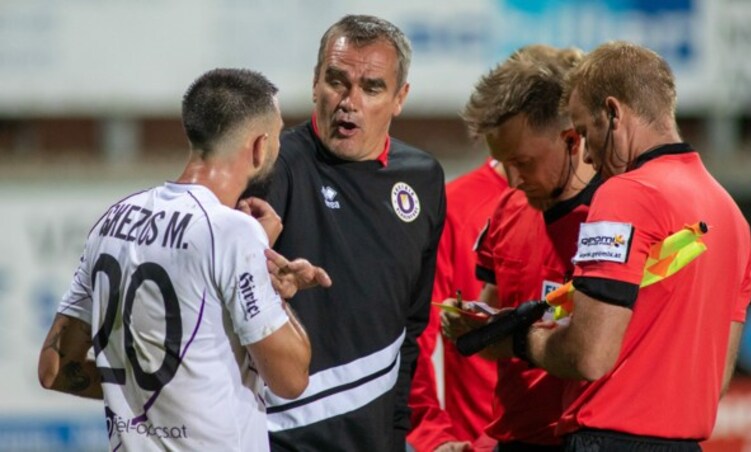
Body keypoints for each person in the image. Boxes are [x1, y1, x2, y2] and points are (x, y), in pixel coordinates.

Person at [37, 68, 331, 451]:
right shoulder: (232, 232)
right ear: (259, 147)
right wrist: (267, 275)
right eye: (276, 136)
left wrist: (148, 395)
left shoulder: (113, 219)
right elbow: (291, 378)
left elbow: (54, 368)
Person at [518, 41, 751, 450]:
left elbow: (589, 356)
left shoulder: (624, 194)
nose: (588, 158)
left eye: (586, 133)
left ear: (613, 112)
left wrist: (523, 339)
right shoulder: (733, 217)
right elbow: (714, 381)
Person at [243, 15, 446, 451]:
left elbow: (410, 328)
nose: (349, 102)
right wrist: (263, 279)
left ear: (399, 98)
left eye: (371, 88)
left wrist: (395, 435)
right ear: (315, 83)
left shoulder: (424, 180)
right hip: (278, 438)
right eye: (337, 82)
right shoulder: (274, 168)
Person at [442, 45, 599, 451]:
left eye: (524, 163)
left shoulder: (616, 220)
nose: (512, 180)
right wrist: (472, 327)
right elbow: (495, 338)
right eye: (502, 163)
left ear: (571, 141)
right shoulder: (508, 210)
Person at [407, 158, 507, 452]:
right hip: (473, 442)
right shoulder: (457, 206)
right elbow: (416, 335)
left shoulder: (598, 207)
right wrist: (433, 434)